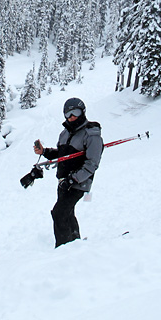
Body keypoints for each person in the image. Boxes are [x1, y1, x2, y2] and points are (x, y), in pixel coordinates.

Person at [34, 97, 103, 247]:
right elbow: (62, 154)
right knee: (68, 213)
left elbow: (92, 164)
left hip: (78, 183)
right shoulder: (65, 133)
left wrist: (73, 179)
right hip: (63, 182)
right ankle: (75, 243)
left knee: (59, 213)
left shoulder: (91, 134)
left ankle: (63, 248)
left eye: (75, 112)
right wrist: (44, 151)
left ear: (82, 112)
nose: (72, 117)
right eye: (68, 114)